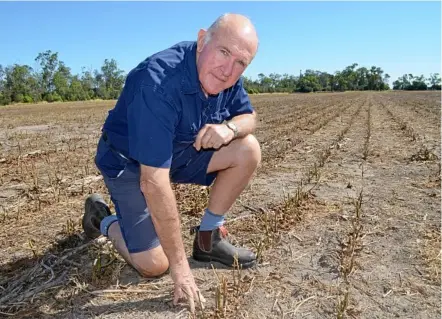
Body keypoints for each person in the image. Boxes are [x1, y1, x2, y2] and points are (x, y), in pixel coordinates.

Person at [82, 13, 261, 313]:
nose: (229, 70)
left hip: (179, 150)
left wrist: (229, 128)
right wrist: (180, 269)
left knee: (248, 150)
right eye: (224, 52)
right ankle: (102, 218)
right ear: (203, 40)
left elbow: (249, 117)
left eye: (241, 63)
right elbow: (152, 182)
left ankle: (208, 239)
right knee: (155, 264)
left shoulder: (227, 76)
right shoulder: (158, 82)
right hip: (128, 162)